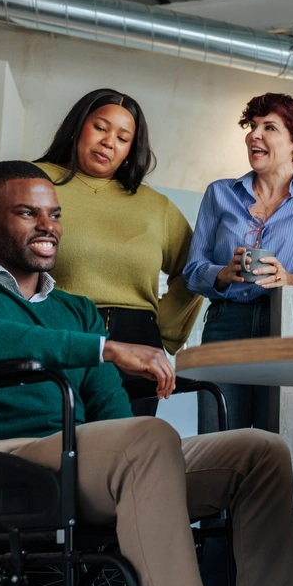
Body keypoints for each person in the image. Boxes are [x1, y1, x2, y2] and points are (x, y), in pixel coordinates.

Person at [0, 161, 293, 586]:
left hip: (79, 457)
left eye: (54, 215)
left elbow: (110, 408)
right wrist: (104, 348)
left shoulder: (76, 310)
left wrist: (131, 429)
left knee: (259, 452)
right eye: (28, 213)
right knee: (147, 438)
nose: (48, 226)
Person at [35, 88, 203, 415]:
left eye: (123, 138)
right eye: (100, 127)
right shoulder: (34, 181)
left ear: (129, 150)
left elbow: (194, 270)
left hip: (139, 344)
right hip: (60, 333)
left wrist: (161, 330)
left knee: (129, 443)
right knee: (57, 438)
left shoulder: (156, 206)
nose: (109, 142)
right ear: (78, 127)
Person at [183, 92, 293, 432]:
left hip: (285, 326)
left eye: (269, 127)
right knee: (218, 440)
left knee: (276, 438)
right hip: (225, 325)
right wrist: (223, 273)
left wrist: (290, 279)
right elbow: (192, 271)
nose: (254, 135)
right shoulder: (219, 193)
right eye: (252, 126)